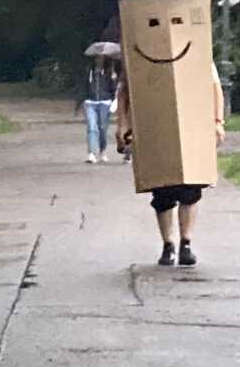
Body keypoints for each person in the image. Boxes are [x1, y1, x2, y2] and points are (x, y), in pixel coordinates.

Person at [116, 63, 225, 266]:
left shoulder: (196, 51)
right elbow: (125, 91)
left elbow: (214, 86)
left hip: (190, 128)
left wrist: (218, 121)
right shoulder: (140, 51)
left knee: (190, 189)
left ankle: (185, 244)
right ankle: (168, 245)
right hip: (156, 129)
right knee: (162, 190)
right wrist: (123, 124)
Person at [79, 56, 118, 164]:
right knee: (92, 127)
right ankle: (91, 153)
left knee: (102, 128)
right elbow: (83, 87)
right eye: (96, 59)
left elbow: (113, 89)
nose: (98, 61)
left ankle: (102, 151)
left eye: (100, 59)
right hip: (90, 102)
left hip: (105, 103)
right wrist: (82, 101)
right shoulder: (89, 72)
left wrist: (114, 100)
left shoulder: (109, 73)